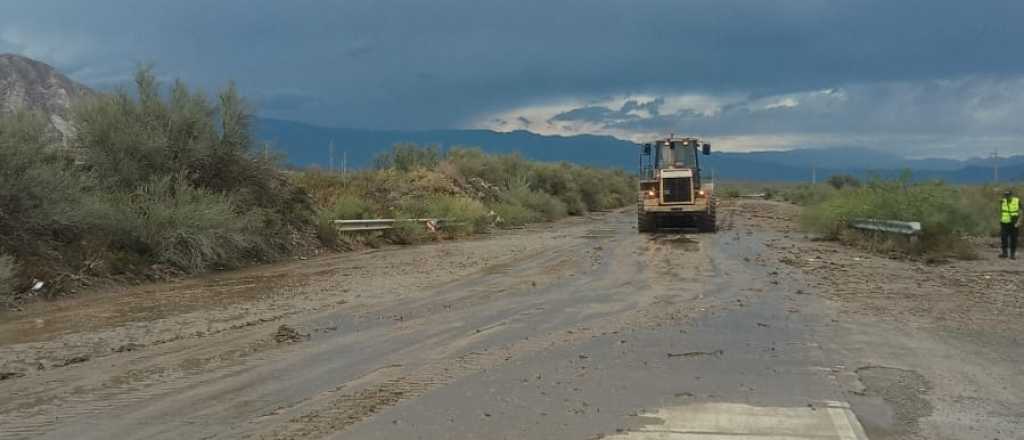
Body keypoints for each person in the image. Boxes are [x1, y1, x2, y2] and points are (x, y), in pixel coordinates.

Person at [999, 190, 1021, 259]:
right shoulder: (1002, 201)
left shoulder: (1017, 201)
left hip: (1014, 223)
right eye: (1006, 195)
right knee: (1004, 238)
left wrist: (1019, 221)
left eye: (1008, 195)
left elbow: (1022, 210)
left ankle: (1012, 254)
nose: (1007, 196)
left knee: (1013, 239)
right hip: (1004, 223)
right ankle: (1004, 253)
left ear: (1011, 195)